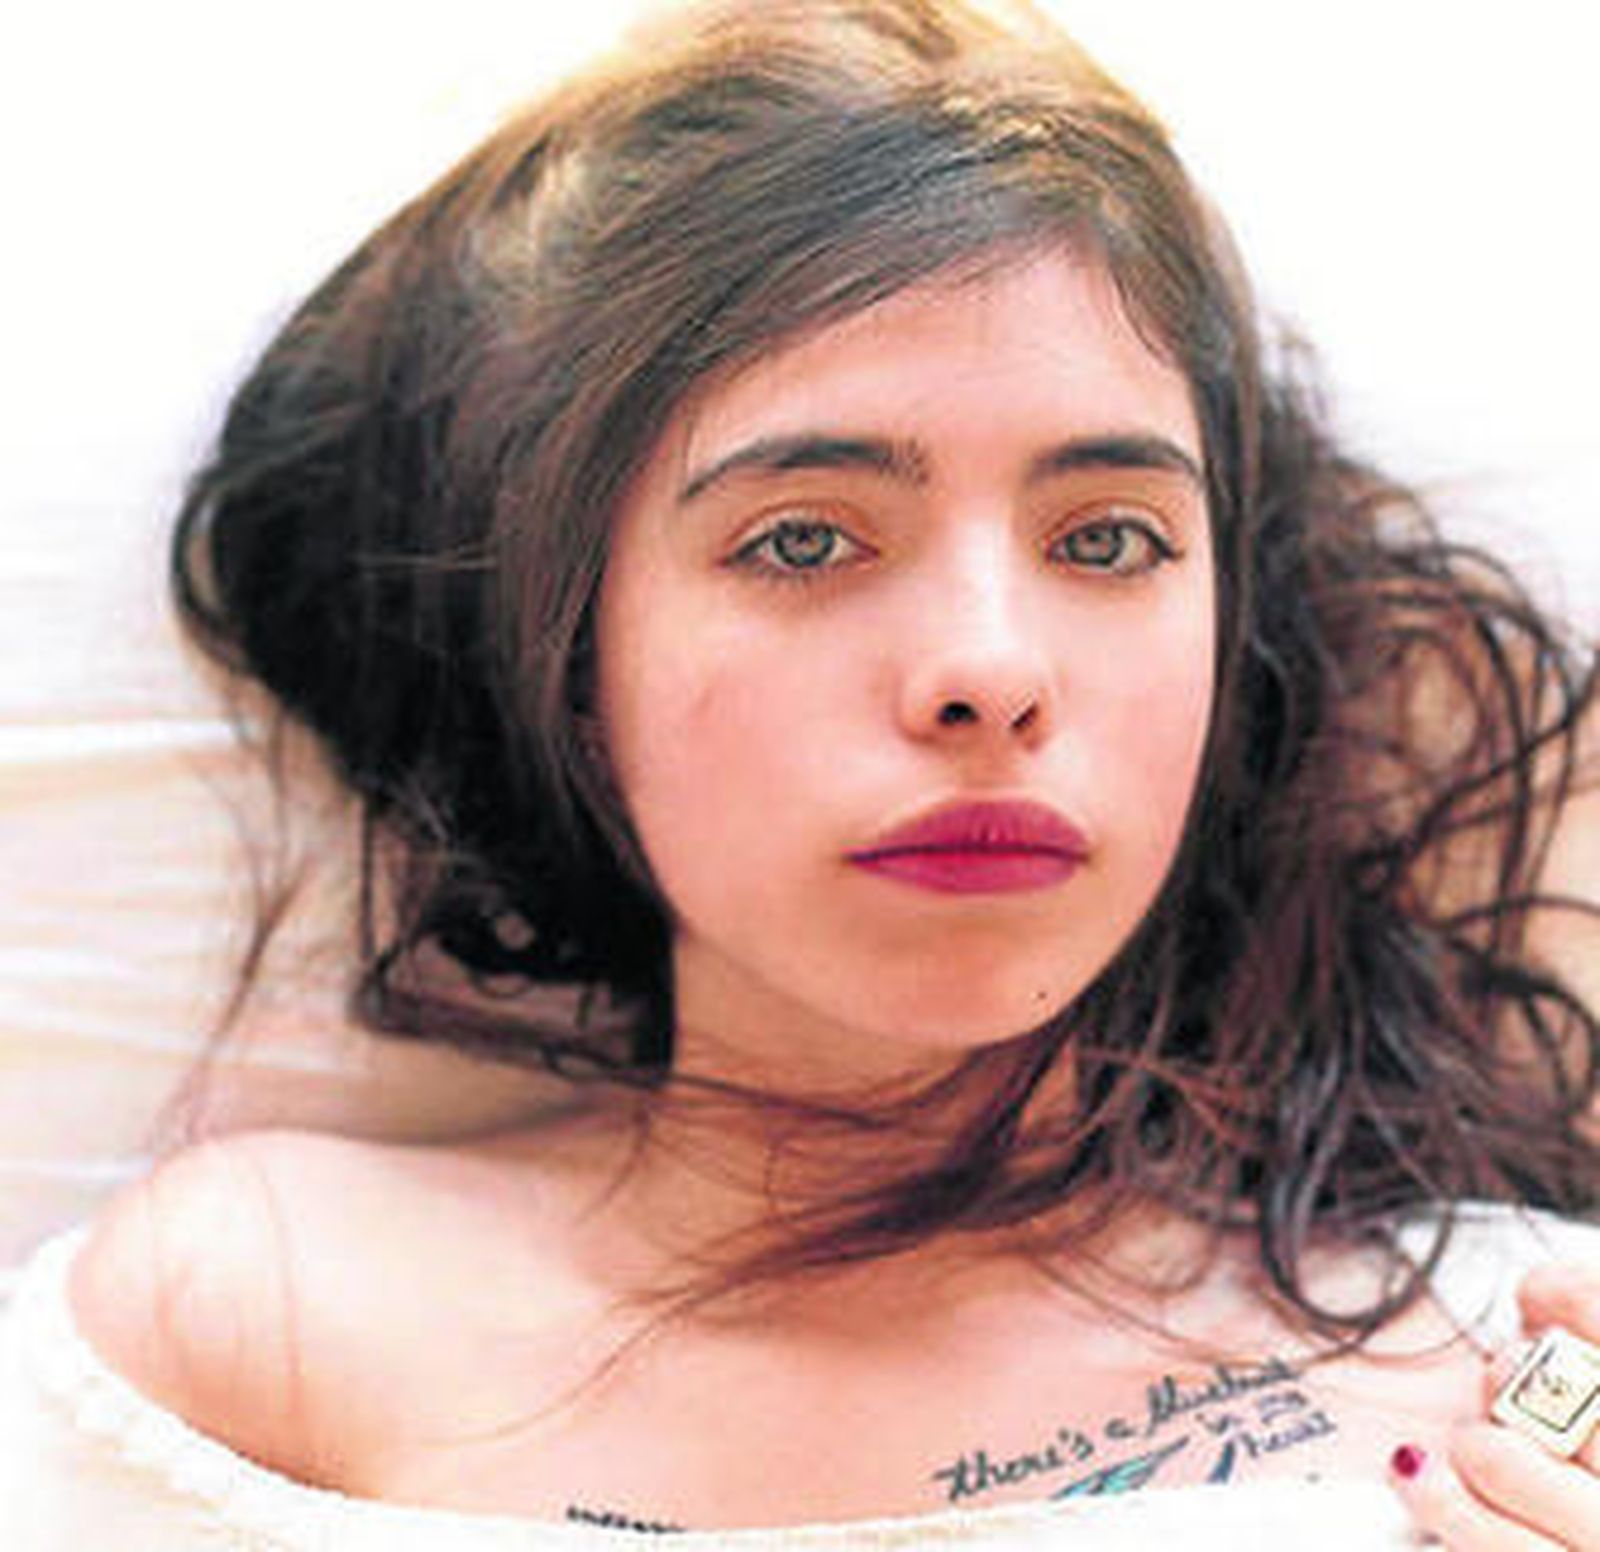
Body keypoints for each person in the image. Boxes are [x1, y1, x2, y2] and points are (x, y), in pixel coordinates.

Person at [3, 0, 1597, 1545]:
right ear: (569, 655)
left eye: (1107, 540)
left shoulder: (1521, 1358)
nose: (990, 670)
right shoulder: (264, 1312)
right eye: (805, 542)